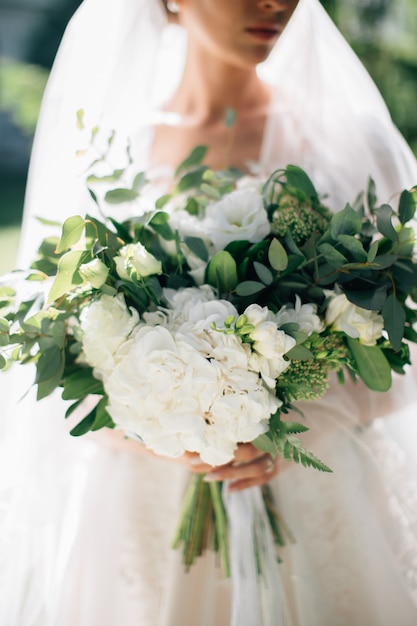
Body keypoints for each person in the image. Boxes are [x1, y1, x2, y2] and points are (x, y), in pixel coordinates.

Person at [1, 0, 417, 624]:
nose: (275, 3)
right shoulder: (107, 149)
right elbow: (63, 337)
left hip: (312, 484)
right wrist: (162, 422)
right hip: (140, 500)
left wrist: (281, 421)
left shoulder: (348, 144)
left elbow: (396, 341)